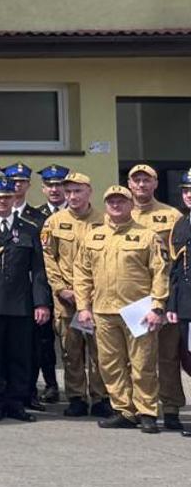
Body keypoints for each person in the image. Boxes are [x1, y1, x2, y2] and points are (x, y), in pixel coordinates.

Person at [76, 185, 171, 433]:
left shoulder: (147, 236)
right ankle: (124, 411)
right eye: (111, 201)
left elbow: (160, 274)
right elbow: (82, 274)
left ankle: (146, 411)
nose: (116, 205)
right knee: (110, 364)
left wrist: (157, 306)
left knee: (143, 364)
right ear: (105, 204)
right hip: (103, 311)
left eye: (121, 201)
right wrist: (82, 307)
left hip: (138, 311)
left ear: (131, 205)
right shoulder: (93, 236)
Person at [0, 178, 52, 422]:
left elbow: (38, 271)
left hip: (21, 304)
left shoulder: (29, 228)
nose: (2, 201)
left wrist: (41, 303)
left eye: (7, 197)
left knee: (20, 356)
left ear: (14, 198)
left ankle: (17, 403)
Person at [43, 171, 109, 417]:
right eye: (68, 191)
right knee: (71, 351)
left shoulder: (104, 220)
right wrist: (61, 289)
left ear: (89, 191)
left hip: (95, 299)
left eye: (77, 191)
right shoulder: (54, 222)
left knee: (99, 351)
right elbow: (49, 260)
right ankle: (76, 397)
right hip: (67, 300)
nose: (72, 196)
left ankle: (101, 397)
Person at [126, 163, 184, 426]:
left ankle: (171, 408)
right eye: (136, 180)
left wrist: (168, 301)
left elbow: (177, 261)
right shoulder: (118, 214)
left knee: (168, 356)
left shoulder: (172, 216)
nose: (141, 185)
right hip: (132, 299)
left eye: (146, 181)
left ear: (155, 184)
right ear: (129, 184)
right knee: (136, 358)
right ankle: (138, 408)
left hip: (164, 295)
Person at [168, 171, 191, 436]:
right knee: (189, 361)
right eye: (186, 191)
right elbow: (175, 270)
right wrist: (172, 305)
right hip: (186, 306)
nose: (189, 195)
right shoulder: (181, 224)